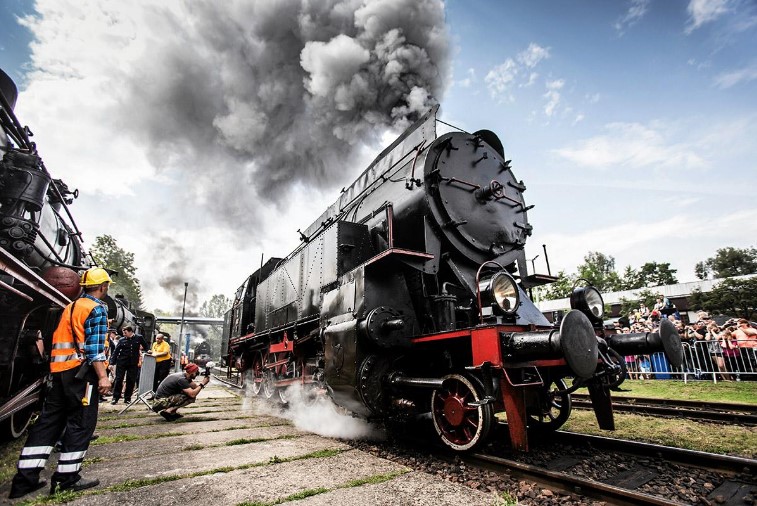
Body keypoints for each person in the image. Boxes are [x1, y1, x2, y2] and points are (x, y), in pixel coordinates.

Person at [9, 267, 113, 498]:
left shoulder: (71, 306)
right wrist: (103, 376)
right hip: (82, 375)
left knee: (49, 422)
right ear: (102, 286)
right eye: (106, 286)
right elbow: (95, 349)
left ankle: (24, 481)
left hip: (60, 372)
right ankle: (66, 478)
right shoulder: (97, 309)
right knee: (81, 423)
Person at [110, 326, 148, 404]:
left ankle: (127, 398)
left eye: (125, 332)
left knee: (130, 380)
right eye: (123, 332)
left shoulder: (139, 338)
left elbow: (146, 346)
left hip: (133, 363)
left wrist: (148, 351)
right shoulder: (121, 340)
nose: (124, 334)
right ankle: (115, 397)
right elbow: (116, 352)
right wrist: (112, 363)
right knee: (119, 379)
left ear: (131, 332)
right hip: (122, 362)